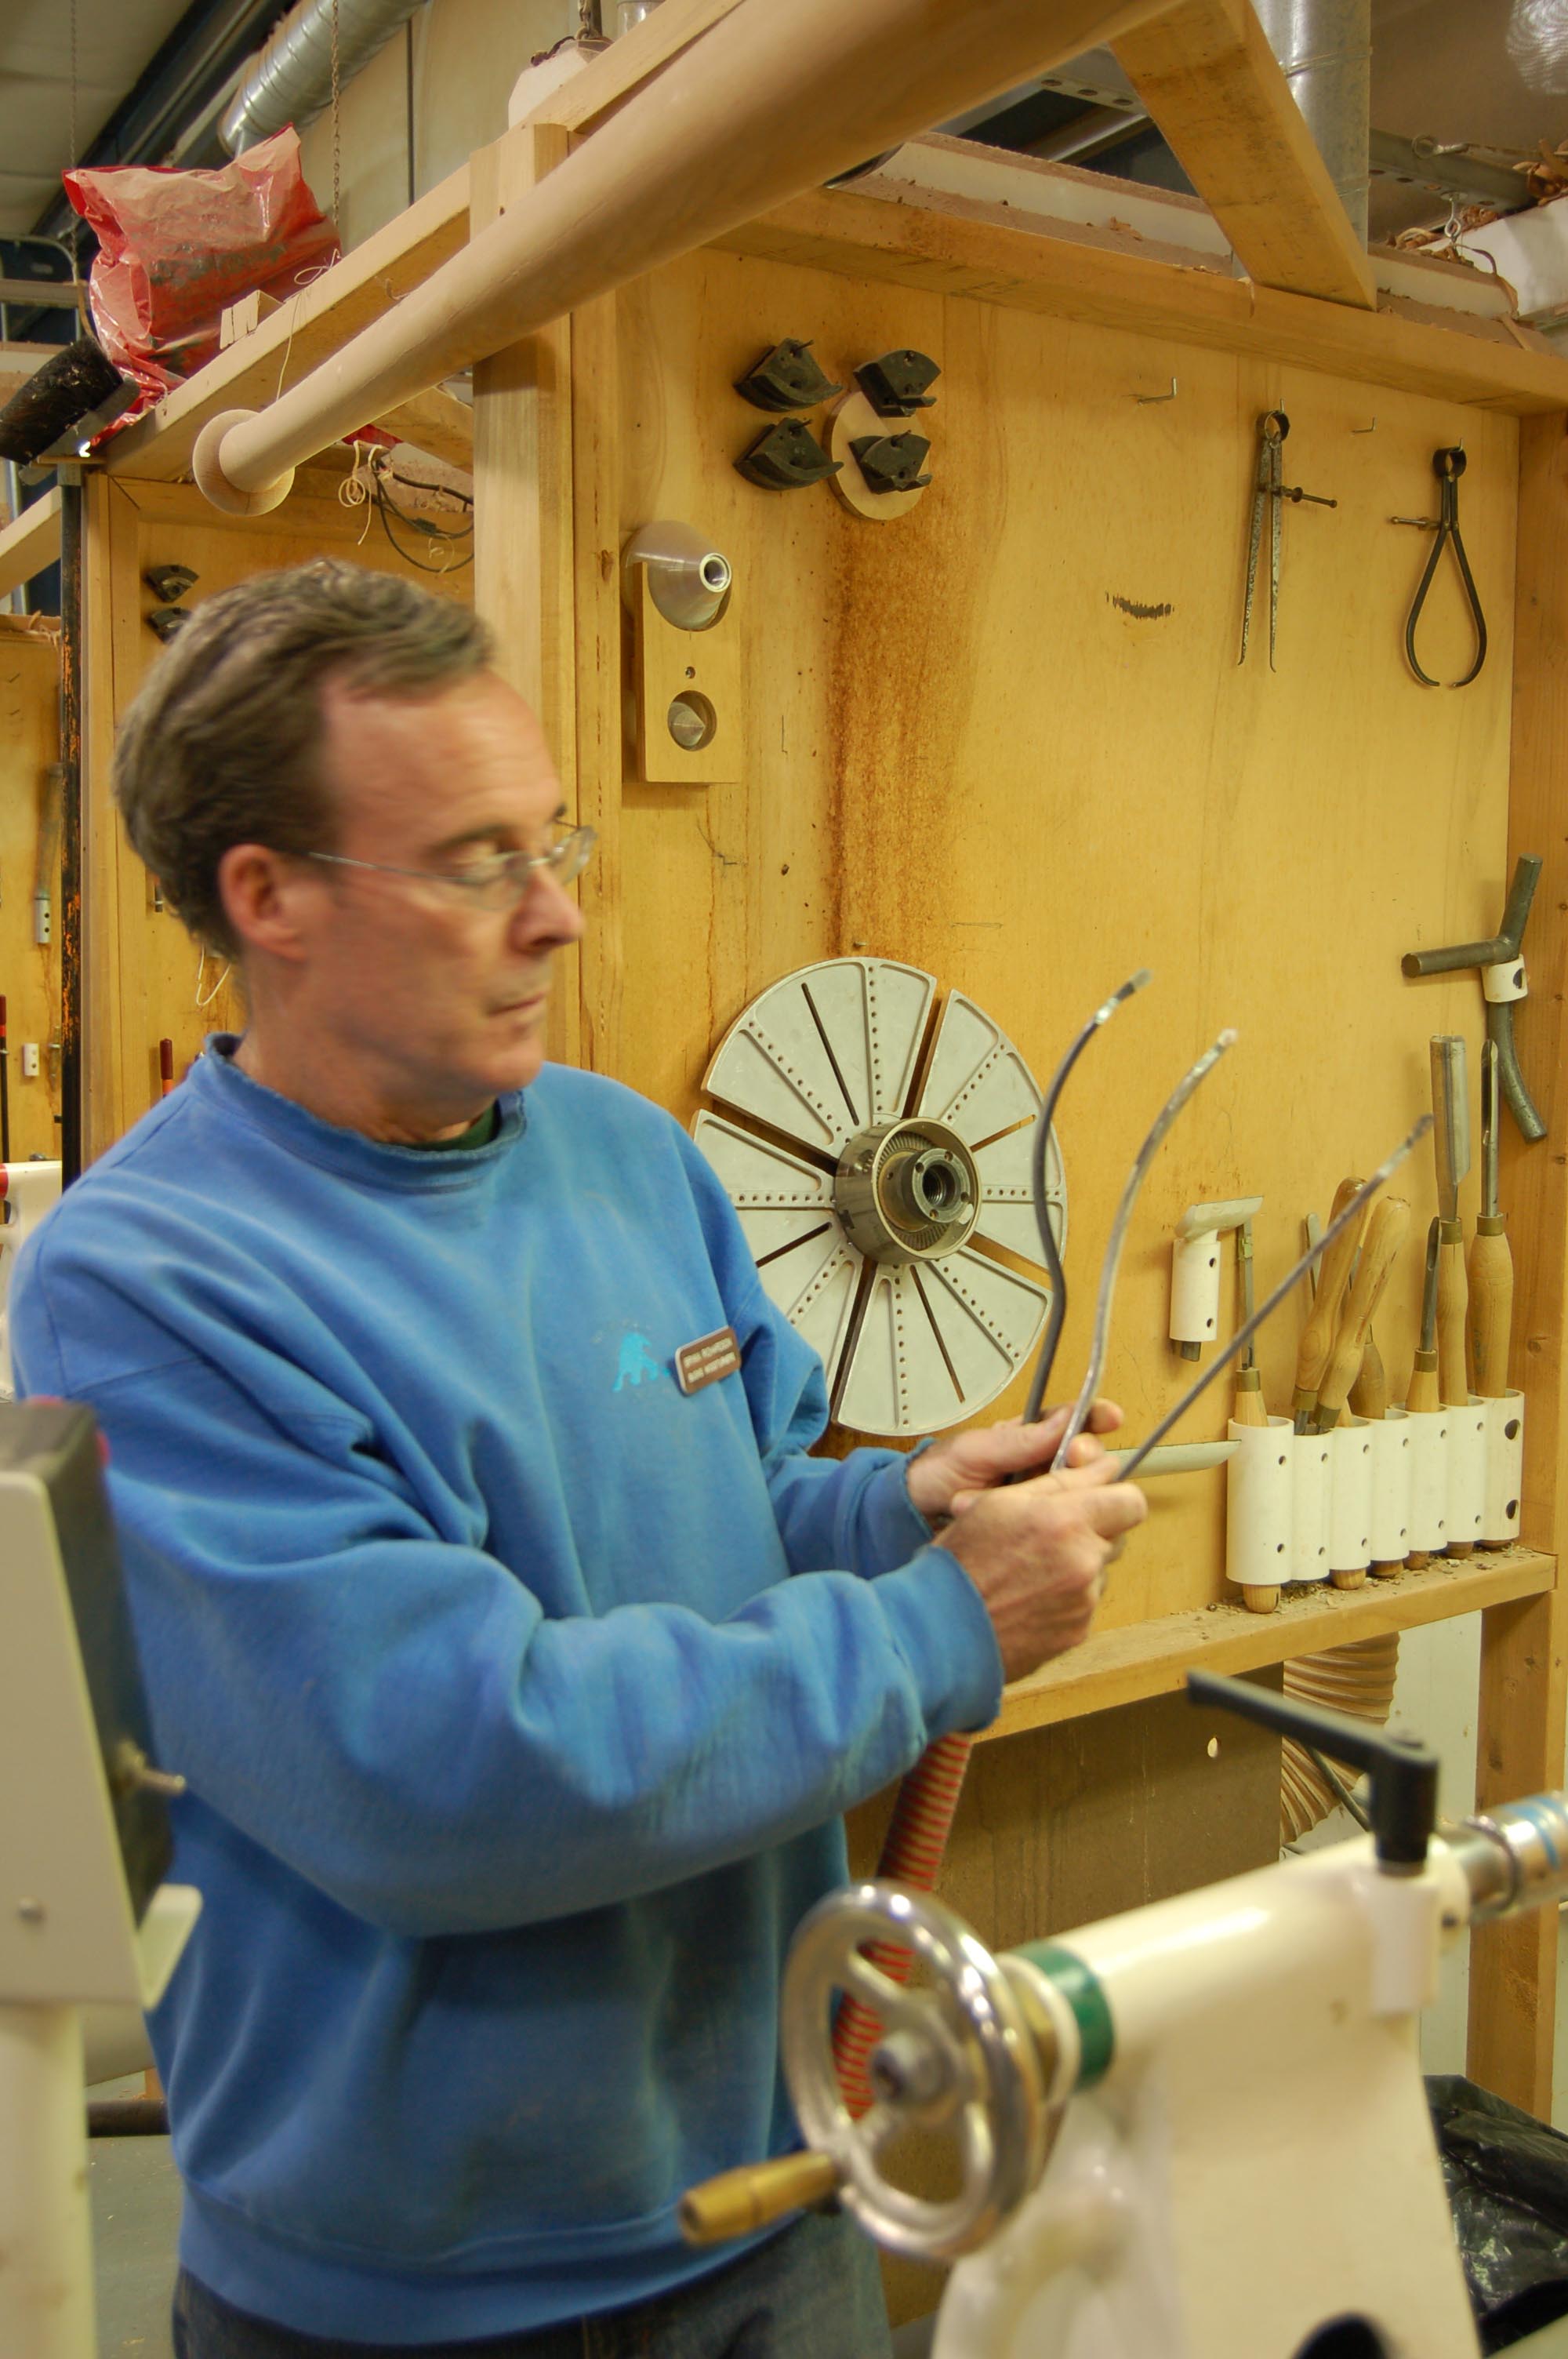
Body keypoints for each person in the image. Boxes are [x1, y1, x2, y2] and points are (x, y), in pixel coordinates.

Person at [10, 562, 1146, 2359]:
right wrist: (934, 1632)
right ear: (271, 896)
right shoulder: (150, 1285)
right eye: (477, 861)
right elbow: (447, 1769)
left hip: (767, 2192)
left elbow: (726, 1503)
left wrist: (893, 1511)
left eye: (561, 846)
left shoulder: (624, 1153)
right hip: (419, 2291)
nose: (557, 919)